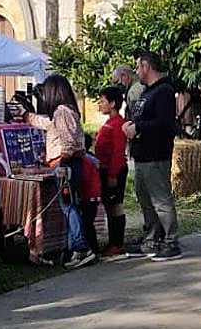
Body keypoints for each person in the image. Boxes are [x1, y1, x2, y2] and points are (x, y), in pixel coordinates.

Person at [24, 75, 96, 269]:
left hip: (65, 165)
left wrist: (63, 160)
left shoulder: (62, 111)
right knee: (69, 205)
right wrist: (28, 116)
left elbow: (68, 141)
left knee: (69, 206)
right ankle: (73, 249)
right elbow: (50, 125)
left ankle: (81, 247)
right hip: (69, 164)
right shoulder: (66, 111)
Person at [122, 52, 181, 261]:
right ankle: (151, 238)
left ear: (146, 66)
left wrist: (138, 128)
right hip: (142, 154)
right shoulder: (147, 92)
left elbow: (165, 123)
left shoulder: (164, 91)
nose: (136, 71)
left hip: (156, 154)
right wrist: (132, 125)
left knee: (160, 199)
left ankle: (171, 241)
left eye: (138, 67)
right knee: (145, 198)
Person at [94, 85, 129, 257]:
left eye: (102, 101)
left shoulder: (118, 124)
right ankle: (113, 242)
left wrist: (113, 175)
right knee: (109, 206)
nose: (100, 104)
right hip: (106, 169)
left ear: (113, 103)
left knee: (115, 205)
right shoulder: (109, 122)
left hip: (114, 170)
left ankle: (117, 243)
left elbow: (118, 151)